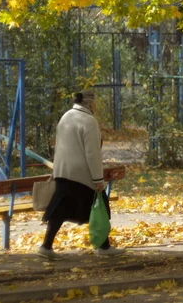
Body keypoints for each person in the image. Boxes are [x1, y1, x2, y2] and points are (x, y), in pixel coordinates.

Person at [38, 89, 124, 259]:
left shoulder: (66, 117)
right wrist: (98, 179)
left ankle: (46, 246)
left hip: (63, 171)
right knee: (100, 206)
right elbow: (92, 153)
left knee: (60, 209)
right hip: (81, 174)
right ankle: (103, 247)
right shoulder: (89, 121)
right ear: (90, 103)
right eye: (95, 103)